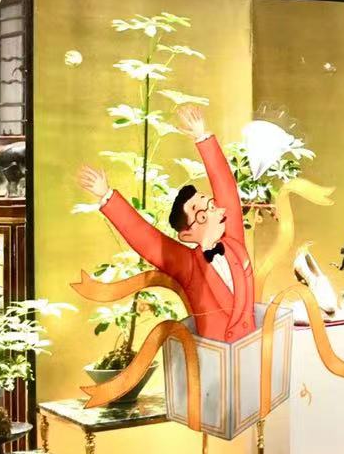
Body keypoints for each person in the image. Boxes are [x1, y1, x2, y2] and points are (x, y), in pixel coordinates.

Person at [75, 104, 259, 341]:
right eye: (200, 212)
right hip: (215, 355)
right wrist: (107, 196)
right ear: (187, 234)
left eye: (209, 203)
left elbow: (226, 190)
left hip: (252, 346)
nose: (211, 209)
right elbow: (149, 241)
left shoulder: (233, 242)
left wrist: (202, 137)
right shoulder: (189, 266)